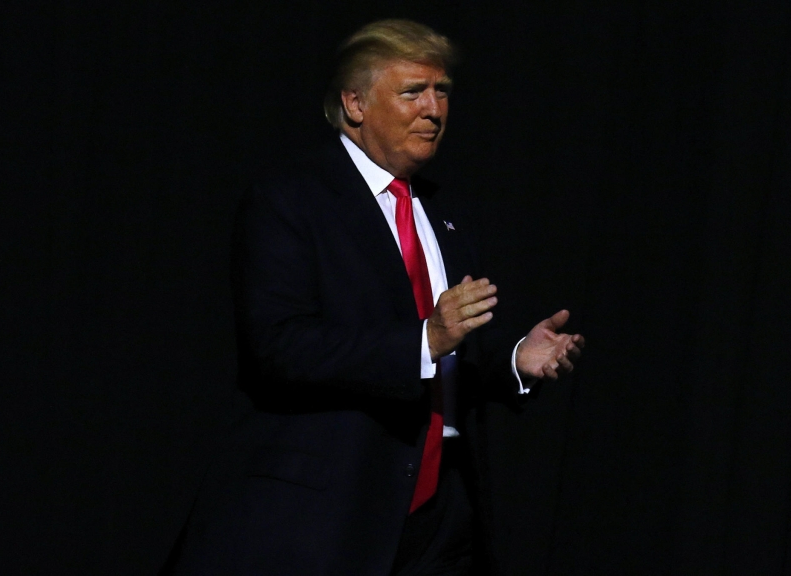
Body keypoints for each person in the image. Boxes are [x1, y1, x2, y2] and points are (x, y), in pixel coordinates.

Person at [169, 19, 584, 575]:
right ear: (355, 103)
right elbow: (279, 347)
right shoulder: (291, 199)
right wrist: (427, 337)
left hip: (443, 514)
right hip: (329, 515)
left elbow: (449, 358)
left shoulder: (444, 211)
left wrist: (513, 360)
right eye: (413, 92)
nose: (434, 110)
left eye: (442, 92)